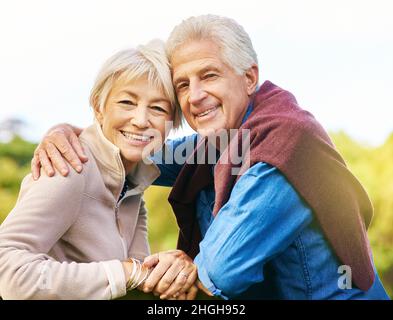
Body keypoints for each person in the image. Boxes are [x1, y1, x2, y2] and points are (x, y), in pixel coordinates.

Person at [30, 15, 389, 300]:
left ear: (250, 78)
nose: (195, 96)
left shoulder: (284, 146)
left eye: (209, 75)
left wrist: (175, 266)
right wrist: (70, 133)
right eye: (183, 84)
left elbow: (216, 273)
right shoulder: (222, 142)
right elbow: (138, 151)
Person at [0, 40, 198, 300]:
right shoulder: (68, 167)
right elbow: (8, 270)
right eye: (127, 102)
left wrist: (175, 270)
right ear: (98, 107)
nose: (140, 120)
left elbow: (139, 276)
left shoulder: (133, 183)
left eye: (158, 108)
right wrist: (127, 272)